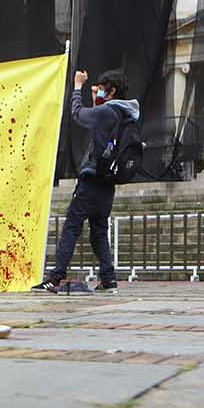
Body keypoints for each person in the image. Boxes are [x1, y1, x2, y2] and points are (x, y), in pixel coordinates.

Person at [34, 69, 139, 295]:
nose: (99, 91)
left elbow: (78, 114)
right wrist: (96, 99)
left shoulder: (105, 112)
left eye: (102, 88)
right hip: (108, 182)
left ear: (111, 91)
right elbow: (98, 115)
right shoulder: (126, 114)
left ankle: (55, 277)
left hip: (91, 180)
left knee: (72, 225)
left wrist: (77, 86)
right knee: (99, 231)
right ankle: (108, 279)